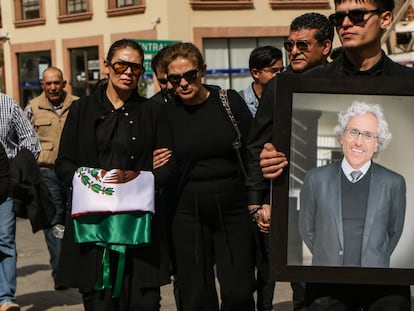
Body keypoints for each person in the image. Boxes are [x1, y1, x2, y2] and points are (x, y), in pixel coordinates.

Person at [257, 0, 414, 310]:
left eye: (356, 15)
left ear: (385, 18)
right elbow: (307, 224)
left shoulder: (408, 84)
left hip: (386, 280)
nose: (345, 23)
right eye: (339, 16)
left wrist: (380, 256)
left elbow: (395, 229)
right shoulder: (306, 86)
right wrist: (272, 159)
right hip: (324, 280)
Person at [55, 38, 177, 311]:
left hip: (139, 230)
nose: (128, 72)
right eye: (122, 64)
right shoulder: (81, 109)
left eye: (136, 67)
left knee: (144, 304)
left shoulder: (154, 112)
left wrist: (140, 180)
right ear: (108, 66)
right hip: (93, 230)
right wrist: (95, 183)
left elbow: (168, 168)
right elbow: (64, 164)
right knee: (99, 304)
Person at [245, 12, 334, 311]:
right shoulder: (278, 86)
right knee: (304, 288)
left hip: (342, 198)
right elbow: (257, 145)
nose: (293, 51)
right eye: (289, 44)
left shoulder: (344, 80)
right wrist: (257, 202)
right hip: (294, 200)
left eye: (302, 45)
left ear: (326, 46)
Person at [162, 42, 255, 311]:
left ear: (202, 71)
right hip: (186, 211)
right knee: (196, 294)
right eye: (174, 79)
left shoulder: (229, 101)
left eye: (190, 75)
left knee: (239, 290)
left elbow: (252, 149)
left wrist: (258, 199)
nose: (183, 83)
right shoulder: (166, 113)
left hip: (234, 209)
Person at [299, 101, 405, 269]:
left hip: (373, 277)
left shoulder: (394, 183)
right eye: (353, 132)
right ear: (342, 137)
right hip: (326, 275)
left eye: (368, 135)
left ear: (377, 144)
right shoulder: (315, 179)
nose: (359, 142)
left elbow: (393, 233)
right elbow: (307, 230)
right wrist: (327, 256)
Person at [24, 66, 78, 290]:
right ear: (42, 85)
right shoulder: (32, 108)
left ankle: (76, 268)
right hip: (47, 172)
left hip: (75, 172)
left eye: (57, 83)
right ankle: (60, 271)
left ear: (64, 83)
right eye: (49, 83)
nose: (53, 87)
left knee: (75, 220)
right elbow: (24, 140)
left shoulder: (78, 104)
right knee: (55, 221)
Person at [0, 93, 41, 311]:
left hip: (4, 186)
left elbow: (31, 140)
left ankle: (5, 297)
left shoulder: (6, 104)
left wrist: (17, 168)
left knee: (4, 239)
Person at [239, 45, 284, 116]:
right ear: (255, 73)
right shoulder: (240, 101)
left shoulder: (285, 98)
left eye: (281, 70)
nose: (279, 75)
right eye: (273, 71)